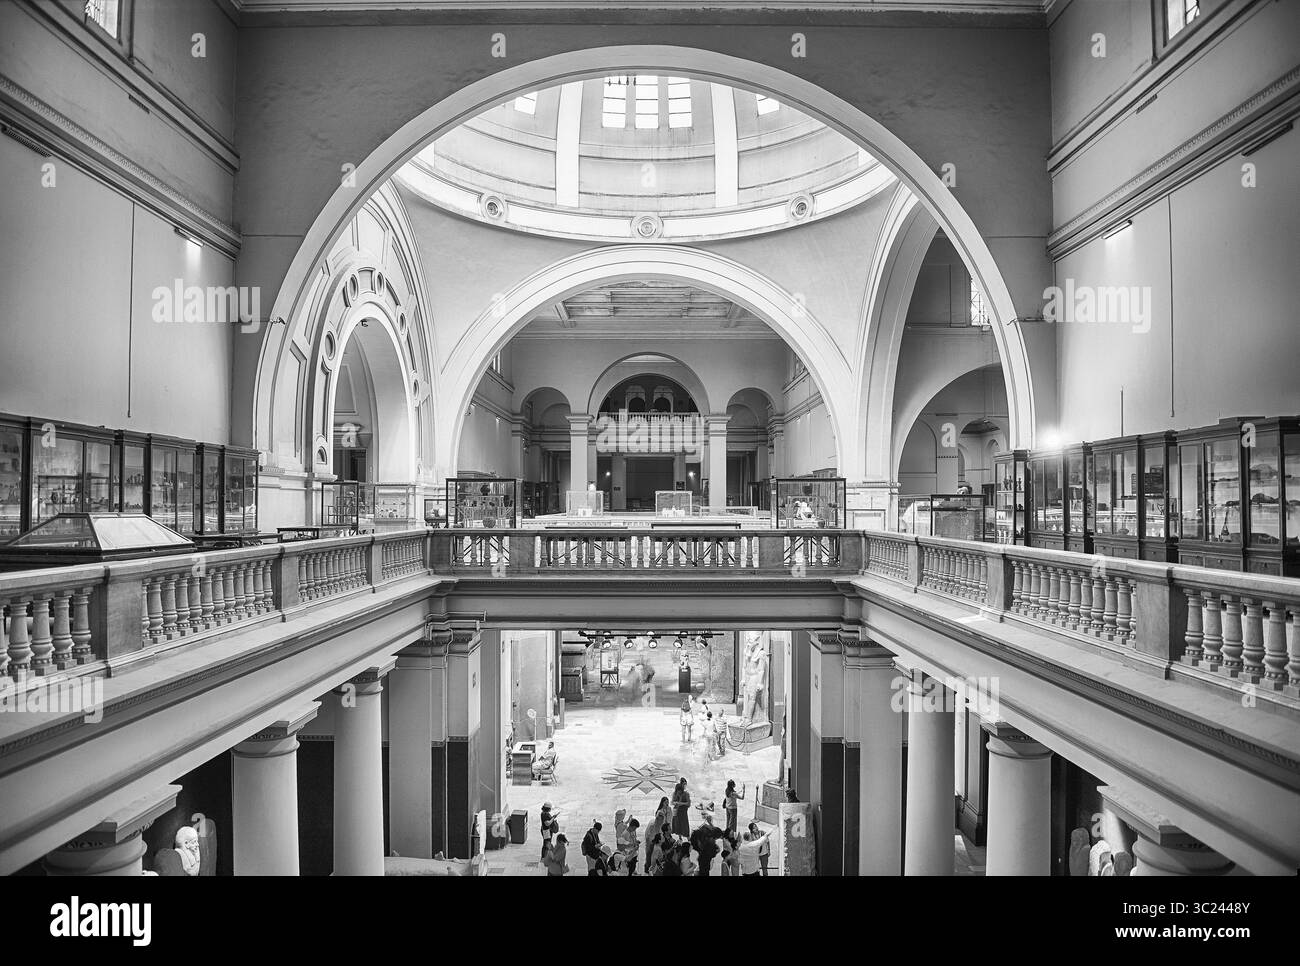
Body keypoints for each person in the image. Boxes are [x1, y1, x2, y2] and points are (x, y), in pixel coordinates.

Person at [690, 811, 723, 877]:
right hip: (705, 860)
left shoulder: (707, 834)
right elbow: (712, 853)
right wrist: (717, 850)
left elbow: (713, 830)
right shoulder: (710, 842)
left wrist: (710, 823)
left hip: (702, 857)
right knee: (704, 872)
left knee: (703, 871)